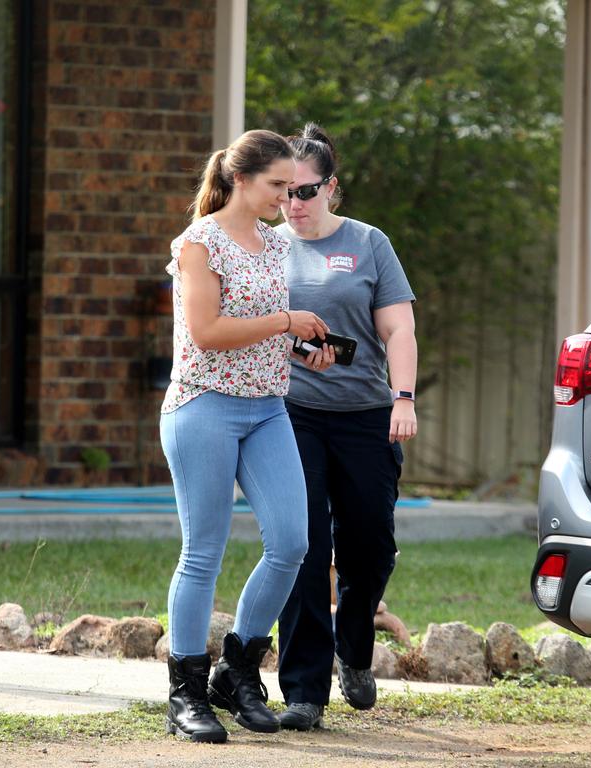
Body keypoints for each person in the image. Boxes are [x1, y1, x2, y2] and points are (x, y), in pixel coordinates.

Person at [160, 129, 334, 743]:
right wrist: (286, 321)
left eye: (293, 188)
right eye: (277, 187)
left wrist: (296, 346)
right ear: (241, 179)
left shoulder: (273, 244)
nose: (288, 199)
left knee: (293, 542)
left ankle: (235, 673)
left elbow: (255, 323)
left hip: (266, 408)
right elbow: (206, 331)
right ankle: (184, 694)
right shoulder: (198, 244)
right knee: (203, 550)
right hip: (203, 405)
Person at [274, 123, 418, 731]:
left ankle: (353, 649)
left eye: (305, 192)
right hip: (290, 414)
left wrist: (402, 397)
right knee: (302, 548)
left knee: (370, 546)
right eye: (284, 192)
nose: (294, 205)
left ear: (332, 188)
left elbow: (398, 329)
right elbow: (244, 330)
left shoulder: (368, 244)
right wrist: (298, 352)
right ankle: (303, 691)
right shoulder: (262, 246)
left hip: (364, 415)